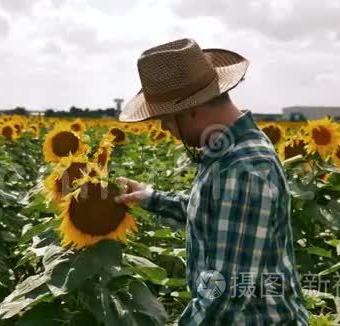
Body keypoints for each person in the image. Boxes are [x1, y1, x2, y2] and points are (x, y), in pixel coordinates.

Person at [114, 38, 309, 325]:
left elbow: (225, 294)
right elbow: (215, 215)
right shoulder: (228, 149)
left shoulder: (244, 169)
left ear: (192, 110)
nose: (165, 128)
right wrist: (151, 197)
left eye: (167, 119)